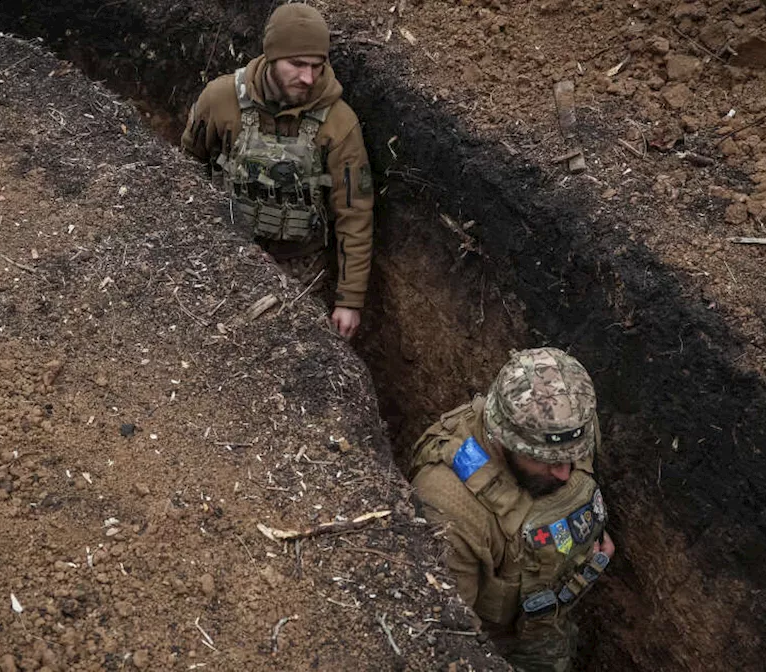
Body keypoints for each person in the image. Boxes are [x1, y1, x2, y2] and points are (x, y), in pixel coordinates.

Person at [408, 347, 616, 672]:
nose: (566, 472)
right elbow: (451, 633)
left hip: (555, 623)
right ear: (504, 441)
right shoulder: (448, 503)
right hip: (498, 648)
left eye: (574, 454)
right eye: (548, 460)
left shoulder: (570, 418)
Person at [180, 3, 373, 340]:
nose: (308, 77)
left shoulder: (339, 123)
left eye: (316, 66)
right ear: (271, 56)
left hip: (300, 266)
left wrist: (349, 300)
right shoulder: (220, 99)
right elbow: (183, 170)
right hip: (225, 250)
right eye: (297, 64)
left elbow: (355, 212)